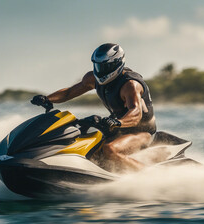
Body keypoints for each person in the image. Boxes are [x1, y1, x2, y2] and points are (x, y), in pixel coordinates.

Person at [31, 43, 156, 172]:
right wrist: (47, 98)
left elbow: (135, 113)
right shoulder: (92, 78)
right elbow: (69, 92)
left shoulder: (130, 85)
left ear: (118, 63)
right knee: (81, 141)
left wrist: (118, 122)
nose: (101, 70)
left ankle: (150, 175)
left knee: (109, 150)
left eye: (106, 66)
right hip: (116, 128)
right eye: (98, 65)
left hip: (142, 133)